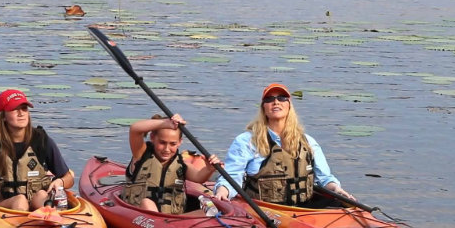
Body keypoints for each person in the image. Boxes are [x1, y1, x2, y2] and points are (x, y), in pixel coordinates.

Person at [213, 83, 355, 208]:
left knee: (338, 204)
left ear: (289, 105)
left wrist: (337, 189)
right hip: (264, 209)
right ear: (263, 108)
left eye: (281, 98)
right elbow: (231, 177)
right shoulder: (246, 142)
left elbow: (324, 179)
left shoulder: (308, 142)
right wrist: (222, 192)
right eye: (269, 99)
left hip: (304, 208)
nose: (276, 102)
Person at [0, 89, 74, 210]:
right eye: (14, 109)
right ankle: (22, 224)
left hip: (36, 205)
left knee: (42, 194)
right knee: (20, 200)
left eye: (24, 109)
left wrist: (60, 182)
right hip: (3, 208)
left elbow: (68, 178)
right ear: (3, 116)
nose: (21, 113)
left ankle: (49, 217)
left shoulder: (42, 141)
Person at [122, 113, 221, 214]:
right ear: (152, 137)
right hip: (142, 217)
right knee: (147, 203)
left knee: (210, 211)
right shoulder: (141, 154)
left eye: (173, 144)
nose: (167, 149)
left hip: (173, 220)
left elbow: (199, 177)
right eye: (162, 143)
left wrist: (209, 169)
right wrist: (165, 123)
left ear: (179, 142)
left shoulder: (181, 163)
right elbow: (135, 129)